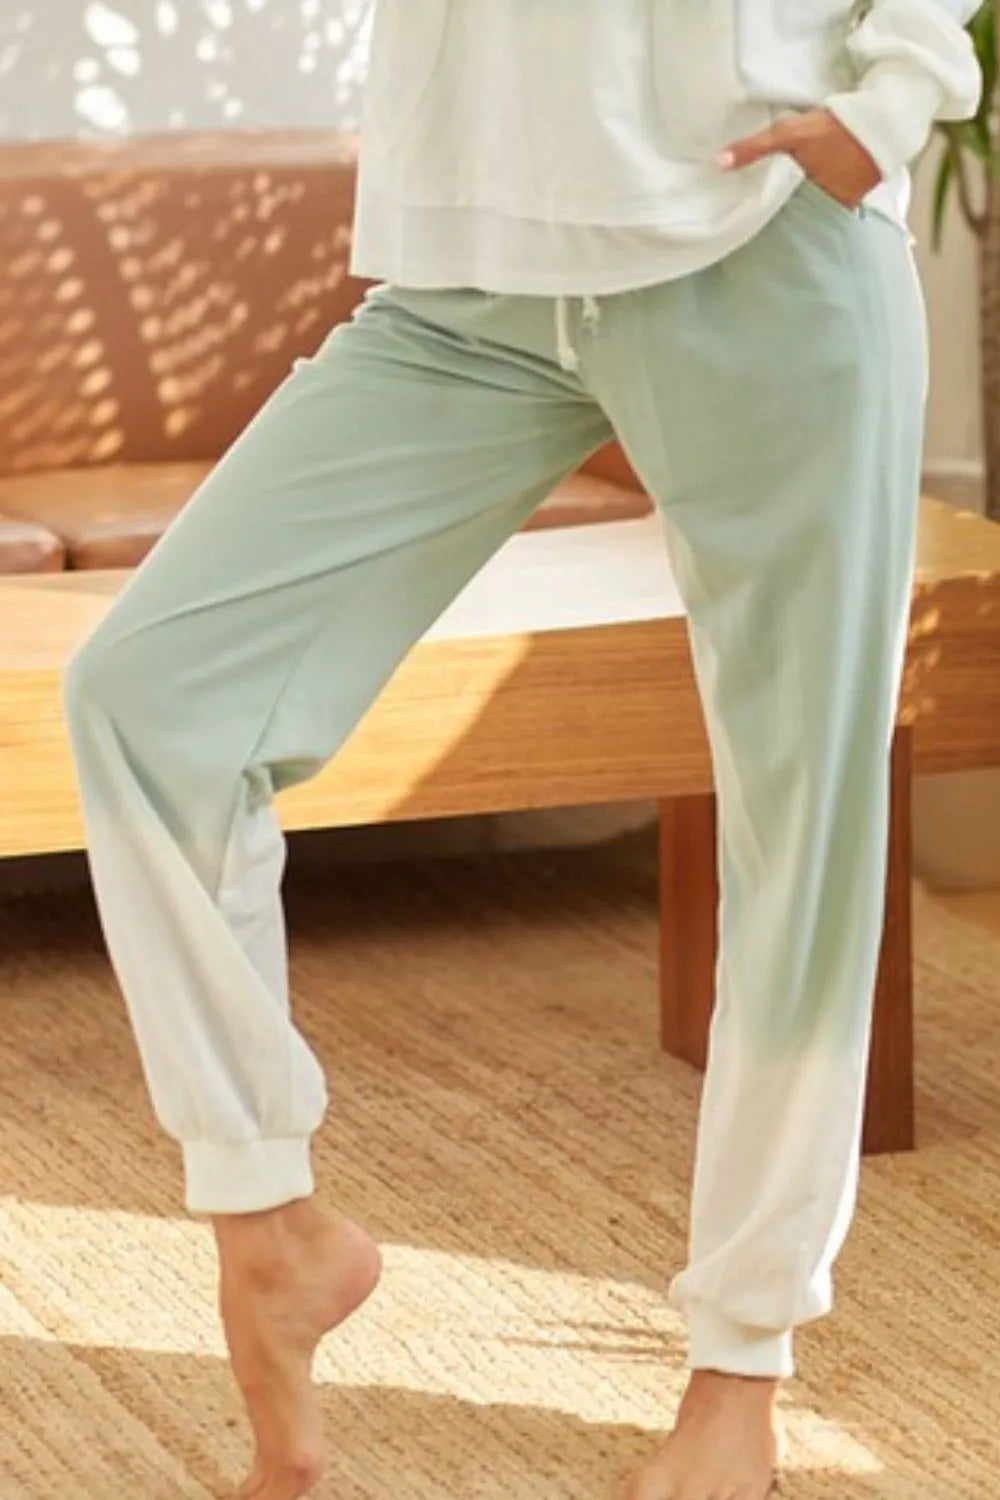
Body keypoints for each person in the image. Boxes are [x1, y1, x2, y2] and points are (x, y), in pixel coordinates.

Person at [63, 4, 982, 1498]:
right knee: (150, 697)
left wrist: (893, 101)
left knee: (801, 830)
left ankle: (740, 1367)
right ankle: (267, 1218)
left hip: (759, 239)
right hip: (474, 264)